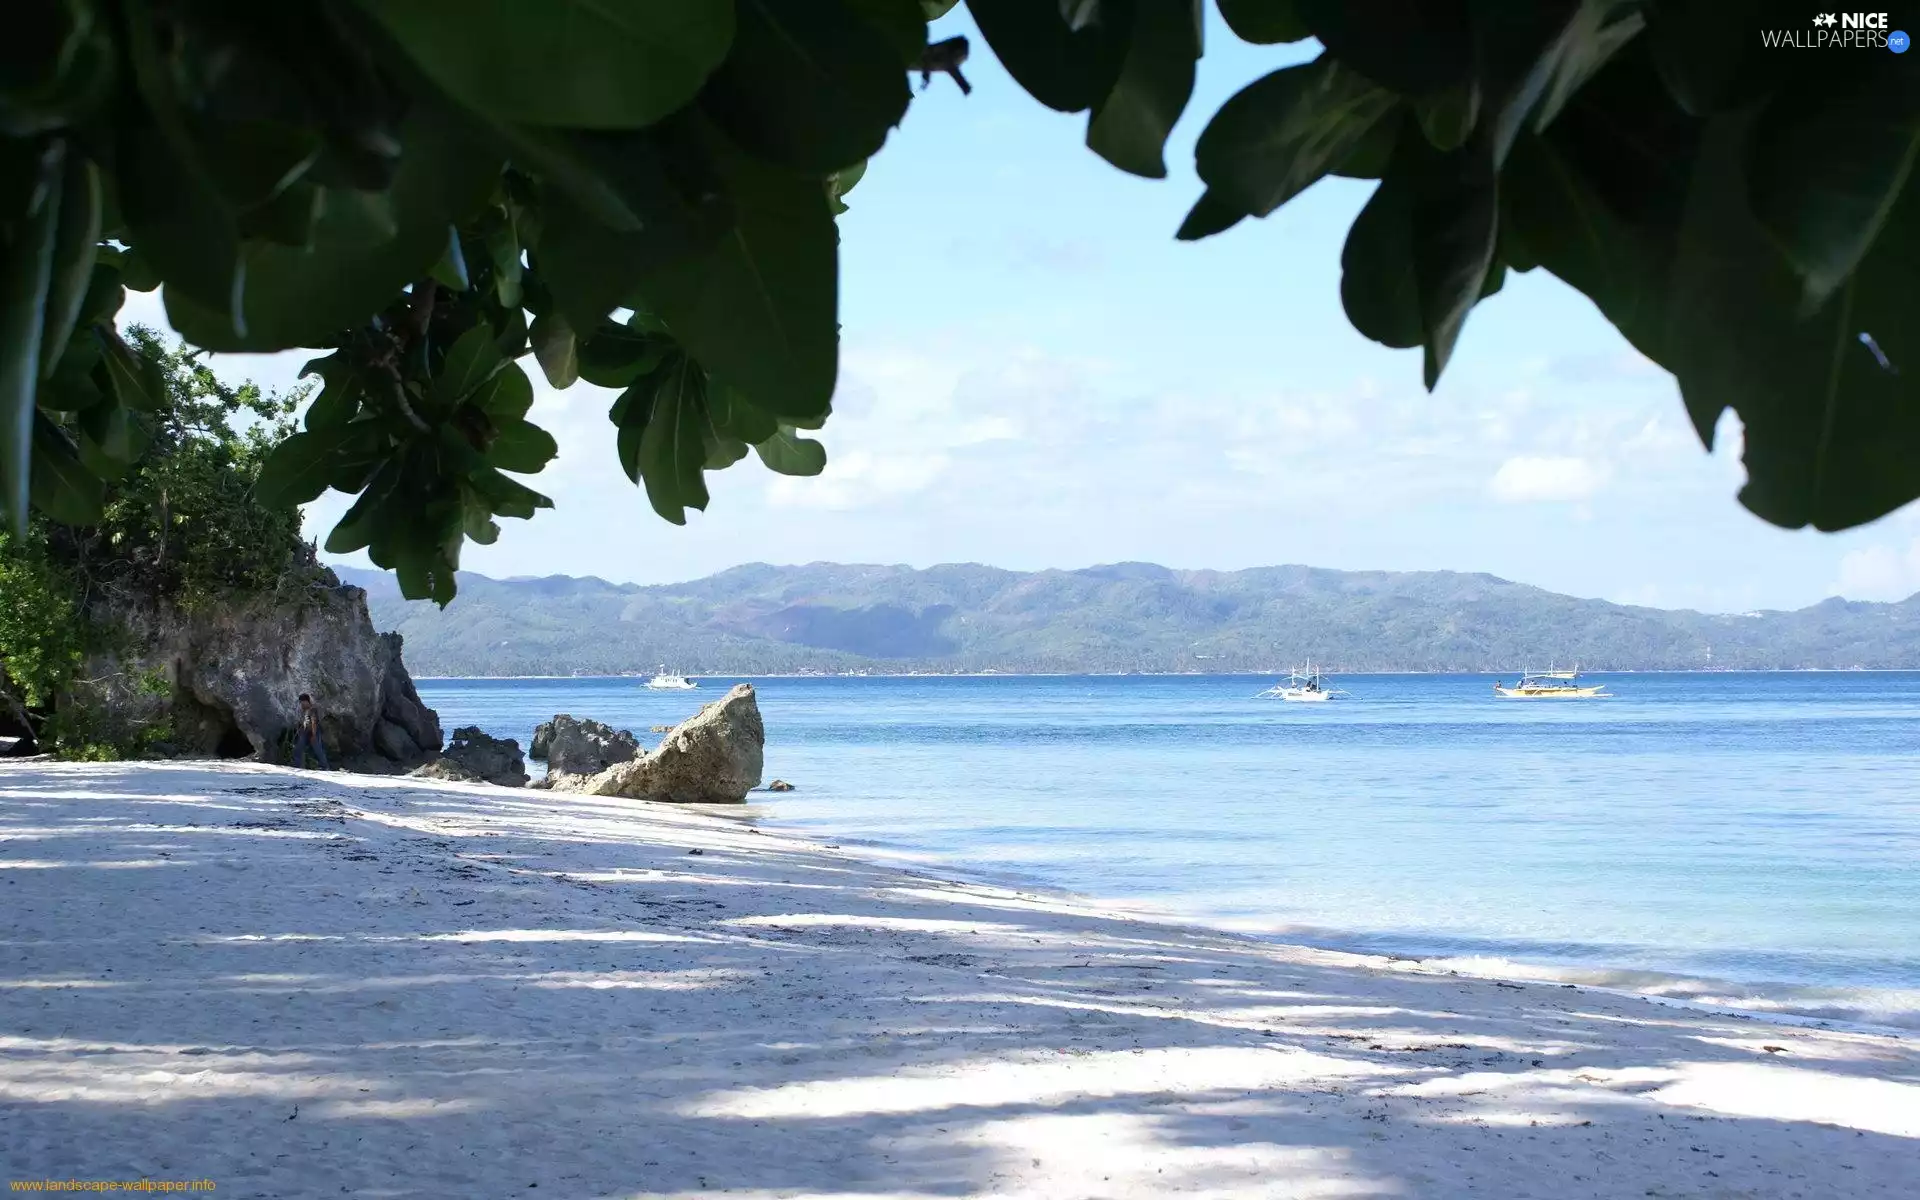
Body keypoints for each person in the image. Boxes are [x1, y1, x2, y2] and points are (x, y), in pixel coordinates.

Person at [293, 693, 329, 770]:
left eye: (303, 702)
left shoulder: (312, 710)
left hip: (314, 731)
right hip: (306, 732)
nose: (302, 704)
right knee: (298, 749)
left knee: (318, 750)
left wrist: (314, 735)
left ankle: (325, 767)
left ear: (307, 701)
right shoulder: (305, 710)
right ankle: (297, 766)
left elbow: (314, 723)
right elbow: (305, 722)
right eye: (301, 703)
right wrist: (301, 729)